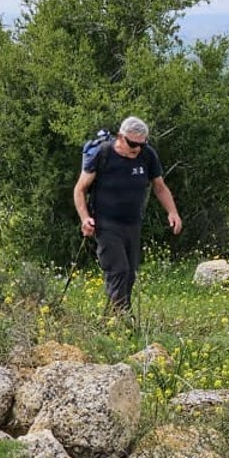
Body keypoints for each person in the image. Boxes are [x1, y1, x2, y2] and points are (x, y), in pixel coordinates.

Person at [72, 116, 183, 312]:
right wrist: (85, 218)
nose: (137, 148)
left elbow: (159, 187)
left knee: (130, 273)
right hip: (105, 224)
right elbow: (80, 189)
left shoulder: (147, 155)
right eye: (133, 143)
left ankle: (115, 319)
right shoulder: (103, 154)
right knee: (118, 270)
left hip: (132, 224)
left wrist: (172, 212)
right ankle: (121, 318)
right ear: (121, 138)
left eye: (142, 144)